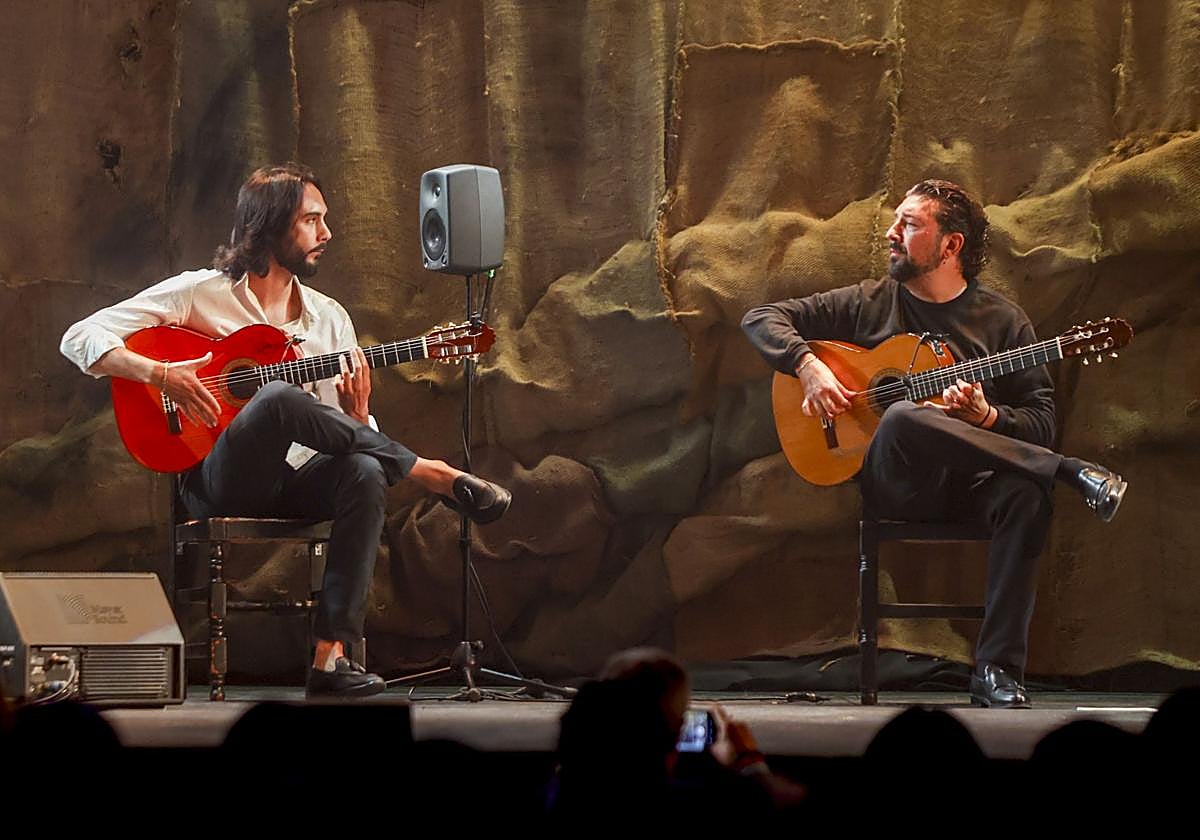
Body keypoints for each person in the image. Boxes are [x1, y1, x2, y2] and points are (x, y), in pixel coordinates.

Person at [60, 163, 511, 699]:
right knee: (275, 397)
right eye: (311, 220)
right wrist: (161, 375)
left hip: (297, 481)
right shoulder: (198, 293)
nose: (327, 233)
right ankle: (428, 472)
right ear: (270, 225)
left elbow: (343, 435)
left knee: (366, 469)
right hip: (219, 478)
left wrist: (358, 414)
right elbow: (79, 336)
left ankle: (330, 657)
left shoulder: (328, 319)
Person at [741, 179, 1128, 708]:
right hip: (898, 484)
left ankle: (996, 671)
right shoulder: (867, 302)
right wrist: (807, 366)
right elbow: (760, 318)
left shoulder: (1003, 321)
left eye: (909, 224)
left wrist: (987, 416)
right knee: (904, 415)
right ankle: (1068, 471)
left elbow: (1041, 421)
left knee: (1025, 494)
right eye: (896, 221)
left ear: (951, 245)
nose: (891, 233)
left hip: (975, 487)